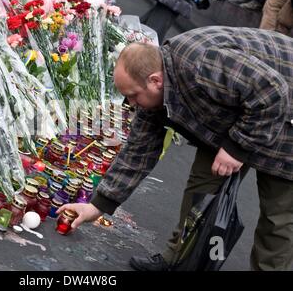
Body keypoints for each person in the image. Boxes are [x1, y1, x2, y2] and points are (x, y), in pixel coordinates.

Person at [58, 26, 293, 271]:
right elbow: (138, 152)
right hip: (238, 112)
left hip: (286, 109)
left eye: (134, 96)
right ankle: (178, 261)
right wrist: (97, 206)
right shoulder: (158, 90)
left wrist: (237, 146)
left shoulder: (201, 63)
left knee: (278, 218)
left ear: (155, 80)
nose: (131, 104)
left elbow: (273, 91)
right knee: (202, 188)